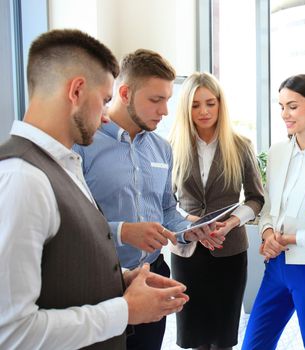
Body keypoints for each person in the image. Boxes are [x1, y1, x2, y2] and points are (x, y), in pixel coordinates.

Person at [0, 29, 189, 350]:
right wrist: (125, 310)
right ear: (76, 91)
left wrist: (121, 281)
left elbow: (68, 261)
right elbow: (11, 332)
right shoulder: (22, 178)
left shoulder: (62, 163)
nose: (105, 117)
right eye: (104, 101)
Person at [74, 50, 222, 350]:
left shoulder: (161, 149)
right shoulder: (83, 145)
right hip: (102, 282)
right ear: (125, 93)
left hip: (154, 274)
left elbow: (167, 209)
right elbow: (73, 221)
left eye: (167, 99)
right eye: (156, 100)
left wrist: (187, 230)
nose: (165, 111)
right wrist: (123, 230)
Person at [241, 74, 305, 350]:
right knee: (252, 346)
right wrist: (268, 232)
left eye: (293, 106)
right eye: (281, 106)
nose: (285, 114)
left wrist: (293, 239)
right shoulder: (277, 152)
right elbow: (270, 209)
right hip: (275, 267)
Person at [168, 72, 264, 350]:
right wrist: (190, 222)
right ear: (186, 108)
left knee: (223, 339)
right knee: (193, 338)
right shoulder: (172, 147)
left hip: (229, 252)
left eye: (210, 103)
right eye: (195, 105)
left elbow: (256, 198)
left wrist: (231, 222)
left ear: (220, 104)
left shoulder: (240, 146)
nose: (204, 111)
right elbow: (166, 201)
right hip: (188, 254)